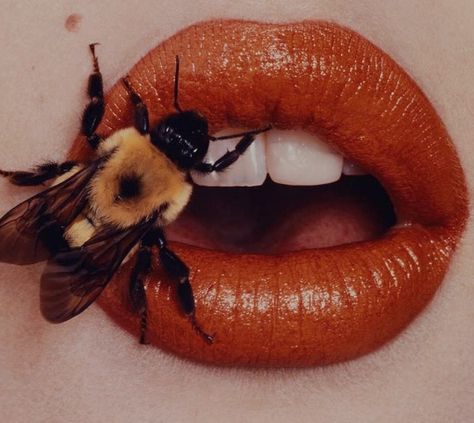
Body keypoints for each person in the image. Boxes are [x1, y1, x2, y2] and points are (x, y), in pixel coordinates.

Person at [0, 1, 472, 422]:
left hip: (82, 217)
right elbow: (209, 172)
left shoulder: (117, 153)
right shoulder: (161, 199)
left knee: (66, 178)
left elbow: (91, 129)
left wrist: (102, 83)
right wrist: (250, 132)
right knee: (151, 255)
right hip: (100, 234)